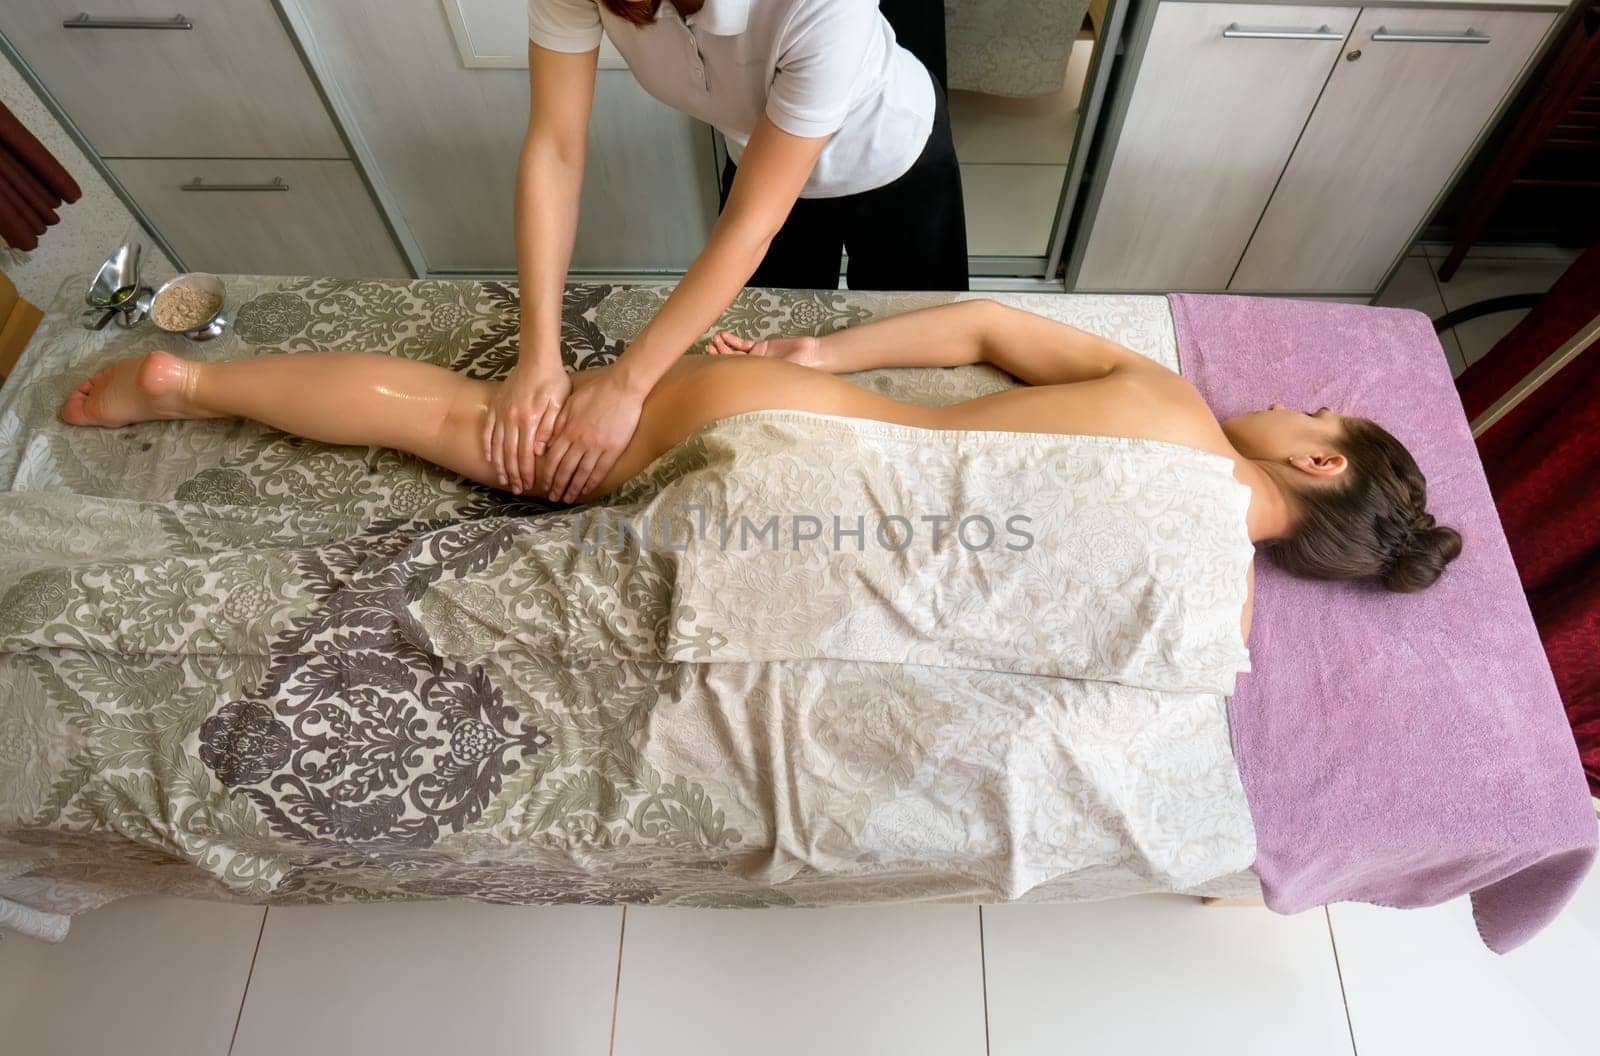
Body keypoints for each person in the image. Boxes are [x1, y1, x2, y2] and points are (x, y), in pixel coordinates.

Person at [60, 300, 1464, 620]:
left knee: (462, 422)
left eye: (1313, 418)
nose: (1285, 402)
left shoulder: (1167, 396)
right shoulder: (1195, 586)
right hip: (805, 546)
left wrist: (819, 359)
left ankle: (189, 379)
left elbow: (979, 325)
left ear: (1326, 467)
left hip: (796, 431)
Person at [496, 0, 968, 508]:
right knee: (766, 372)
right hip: (759, 161)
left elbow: (752, 225)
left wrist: (624, 387)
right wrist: (537, 357)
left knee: (919, 360)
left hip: (891, 156)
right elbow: (556, 146)